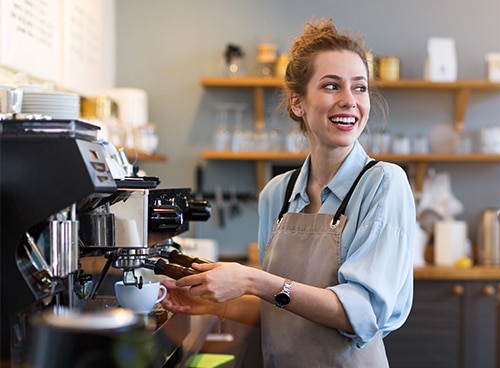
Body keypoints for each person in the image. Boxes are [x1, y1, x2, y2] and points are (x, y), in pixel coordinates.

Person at [161, 18, 415, 367]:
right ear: (298, 103)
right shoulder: (277, 194)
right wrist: (216, 302)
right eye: (331, 86)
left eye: (360, 88)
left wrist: (251, 278)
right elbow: (280, 309)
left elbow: (362, 313)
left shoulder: (384, 183)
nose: (349, 101)